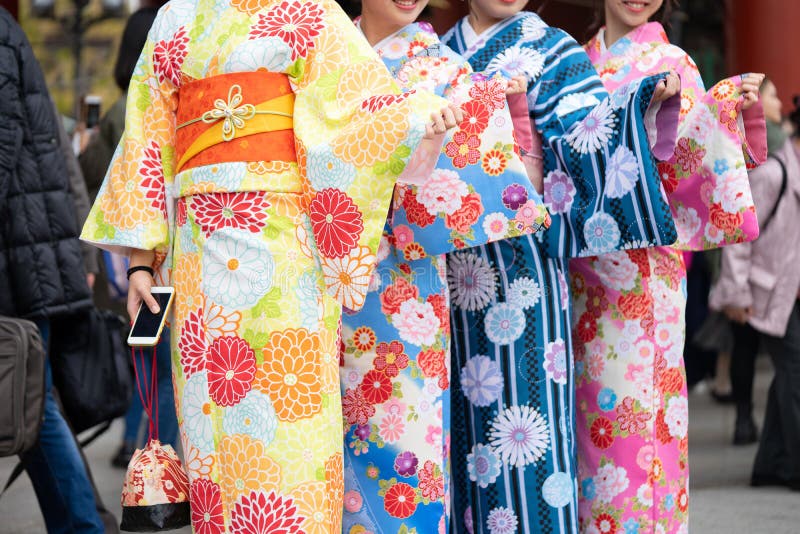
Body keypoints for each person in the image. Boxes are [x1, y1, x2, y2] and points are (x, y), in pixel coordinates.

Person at [80, 0, 461, 530]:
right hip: (198, 261)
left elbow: (359, 112)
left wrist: (415, 115)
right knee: (213, 432)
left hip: (286, 256)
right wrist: (143, 264)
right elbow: (150, 136)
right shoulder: (176, 17)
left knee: (292, 426)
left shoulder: (312, 12)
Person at [441, 2, 683, 532]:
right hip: (444, 280)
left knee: (525, 441)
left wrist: (640, 105)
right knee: (451, 445)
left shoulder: (553, 49)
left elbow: (589, 139)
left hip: (522, 281)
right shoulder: (438, 51)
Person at [340, 2, 548, 532]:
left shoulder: (448, 70)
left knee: (405, 448)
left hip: (403, 292)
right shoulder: (327, 51)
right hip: (322, 279)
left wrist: (501, 116)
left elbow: (486, 185)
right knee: (324, 454)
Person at [571, 1, 765, 532]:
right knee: (586, 427)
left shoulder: (673, 60)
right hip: (579, 276)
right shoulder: (574, 64)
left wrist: (724, 109)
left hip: (642, 277)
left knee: (639, 419)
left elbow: (693, 166)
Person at [0, 7, 109, 533]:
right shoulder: (10, 37)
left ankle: (84, 526)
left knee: (33, 409)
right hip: (27, 255)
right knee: (34, 407)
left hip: (21, 261)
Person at [78, 5, 179, 469]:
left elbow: (96, 170)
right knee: (162, 361)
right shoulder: (141, 106)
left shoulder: (120, 111)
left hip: (130, 253)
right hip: (163, 246)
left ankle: (135, 444)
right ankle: (157, 449)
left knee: (145, 352)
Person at [710, 78, 800, 489]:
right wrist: (736, 293)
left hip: (792, 294)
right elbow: (740, 235)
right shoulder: (774, 173)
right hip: (770, 294)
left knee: (789, 376)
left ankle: (770, 465)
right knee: (794, 375)